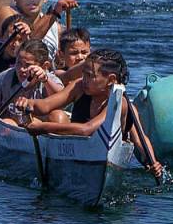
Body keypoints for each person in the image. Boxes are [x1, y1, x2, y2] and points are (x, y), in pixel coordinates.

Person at [12, 49, 164, 181]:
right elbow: (45, 106)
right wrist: (28, 103)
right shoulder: (79, 87)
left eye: (90, 76)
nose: (84, 79)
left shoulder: (122, 104)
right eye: (83, 74)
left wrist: (152, 163)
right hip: (75, 154)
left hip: (105, 155)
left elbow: (88, 130)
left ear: (110, 80)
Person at [0, 39, 65, 140]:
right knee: (7, 125)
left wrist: (45, 80)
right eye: (19, 63)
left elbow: (63, 99)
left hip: (43, 129)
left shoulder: (49, 80)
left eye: (27, 65)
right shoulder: (5, 78)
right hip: (14, 127)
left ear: (44, 66)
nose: (21, 69)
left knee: (59, 116)